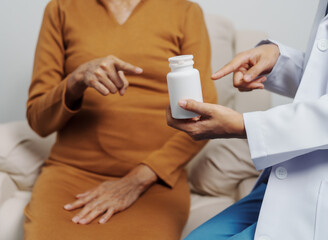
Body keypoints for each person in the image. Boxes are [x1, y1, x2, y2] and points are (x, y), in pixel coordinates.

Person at [24, 0, 217, 239]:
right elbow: (38, 121)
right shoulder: (61, 9)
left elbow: (206, 115)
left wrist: (138, 179)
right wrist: (76, 80)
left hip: (154, 179)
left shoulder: (185, 11)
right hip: (72, 176)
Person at [167, 0, 328, 239]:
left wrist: (244, 125)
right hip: (291, 174)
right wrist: (278, 61)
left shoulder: (185, 12)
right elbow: (319, 80)